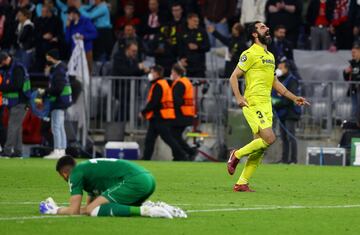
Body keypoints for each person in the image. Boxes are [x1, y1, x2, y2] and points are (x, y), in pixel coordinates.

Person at [227, 21, 309, 192]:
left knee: (260, 146)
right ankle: (237, 154)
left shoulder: (270, 56)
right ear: (255, 34)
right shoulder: (249, 54)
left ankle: (242, 183)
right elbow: (233, 77)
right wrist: (239, 97)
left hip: (266, 105)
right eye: (262, 27)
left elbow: (275, 83)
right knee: (269, 139)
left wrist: (294, 98)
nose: (267, 29)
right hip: (253, 102)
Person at [39, 155, 186, 219]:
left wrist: (54, 210)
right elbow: (89, 209)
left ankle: (149, 210)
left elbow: (74, 211)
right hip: (147, 178)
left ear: (65, 172)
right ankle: (158, 206)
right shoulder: (88, 172)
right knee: (95, 210)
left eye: (61, 176)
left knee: (93, 210)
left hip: (135, 180)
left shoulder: (75, 174)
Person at [141, 65, 189, 161]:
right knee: (151, 139)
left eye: (152, 72)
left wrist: (144, 111)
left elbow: (154, 102)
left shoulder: (159, 84)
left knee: (167, 139)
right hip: (160, 116)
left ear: (156, 73)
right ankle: (146, 158)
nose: (150, 74)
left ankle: (182, 155)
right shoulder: (163, 83)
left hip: (160, 116)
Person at [39, 49, 72, 159]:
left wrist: (45, 91)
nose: (47, 60)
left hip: (59, 101)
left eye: (47, 57)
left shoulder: (59, 70)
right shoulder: (60, 68)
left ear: (51, 57)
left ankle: (57, 150)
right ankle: (62, 150)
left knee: (56, 126)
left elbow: (57, 88)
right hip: (63, 100)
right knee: (60, 126)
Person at [0, 52, 31, 158]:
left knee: (12, 126)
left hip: (20, 102)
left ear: (5, 59)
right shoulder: (15, 66)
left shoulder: (17, 68)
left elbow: (17, 85)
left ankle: (7, 151)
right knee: (17, 127)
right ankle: (18, 152)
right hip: (21, 102)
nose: (2, 65)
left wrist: (2, 87)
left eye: (2, 63)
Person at [272, 61, 300, 164]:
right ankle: (284, 160)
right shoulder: (278, 80)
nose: (278, 70)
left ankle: (293, 160)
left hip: (290, 113)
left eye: (281, 68)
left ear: (286, 69)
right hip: (281, 113)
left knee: (291, 136)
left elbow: (290, 98)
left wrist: (277, 103)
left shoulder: (292, 80)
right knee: (283, 138)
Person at [169, 63, 197, 158]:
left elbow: (177, 100)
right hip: (187, 114)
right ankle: (181, 154)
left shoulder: (179, 84)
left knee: (174, 136)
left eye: (172, 72)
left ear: (176, 73)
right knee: (175, 136)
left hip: (181, 114)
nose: (171, 74)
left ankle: (187, 153)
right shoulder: (185, 82)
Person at [65, 6, 97, 73]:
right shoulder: (70, 24)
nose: (68, 16)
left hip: (86, 51)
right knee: (76, 72)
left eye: (69, 14)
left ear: (74, 14)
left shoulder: (85, 21)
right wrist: (67, 27)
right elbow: (67, 40)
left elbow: (94, 34)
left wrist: (84, 36)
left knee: (87, 72)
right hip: (75, 52)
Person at [178, 13, 210, 78]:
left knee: (200, 86)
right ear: (188, 20)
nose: (197, 23)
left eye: (198, 21)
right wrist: (181, 59)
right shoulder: (182, 32)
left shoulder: (202, 31)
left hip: (199, 66)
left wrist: (198, 47)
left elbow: (208, 47)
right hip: (187, 66)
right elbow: (179, 47)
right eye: (194, 21)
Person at [343, 43, 360, 124]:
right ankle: (353, 124)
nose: (352, 54)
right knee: (354, 107)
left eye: (354, 52)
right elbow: (346, 79)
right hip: (354, 89)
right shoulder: (352, 64)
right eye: (352, 52)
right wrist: (345, 72)